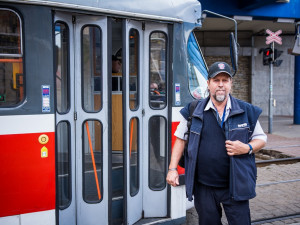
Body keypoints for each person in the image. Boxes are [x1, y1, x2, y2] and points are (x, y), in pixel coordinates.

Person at [166, 62, 267, 225]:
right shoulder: (193, 110)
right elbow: (180, 139)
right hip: (204, 187)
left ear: (230, 84)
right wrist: (172, 169)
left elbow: (261, 139)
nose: (221, 85)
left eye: (225, 80)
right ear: (208, 83)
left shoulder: (246, 110)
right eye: (216, 80)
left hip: (235, 185)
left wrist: (247, 148)